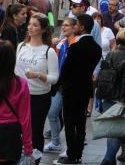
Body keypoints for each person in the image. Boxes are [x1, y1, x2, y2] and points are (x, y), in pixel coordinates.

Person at [55, 14, 101, 164]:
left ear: (81, 27)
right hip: (85, 88)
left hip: (71, 89)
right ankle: (78, 152)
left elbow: (66, 70)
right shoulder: (96, 48)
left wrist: (59, 84)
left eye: (76, 25)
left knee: (69, 123)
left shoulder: (75, 47)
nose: (74, 27)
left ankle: (71, 154)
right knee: (80, 123)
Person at [15, 13, 59, 165]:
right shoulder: (21, 46)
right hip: (19, 95)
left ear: (43, 29)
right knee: (16, 130)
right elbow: (14, 70)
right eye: (29, 24)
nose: (30, 27)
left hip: (38, 97)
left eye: (35, 25)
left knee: (34, 132)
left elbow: (54, 78)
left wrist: (39, 75)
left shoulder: (49, 51)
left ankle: (34, 161)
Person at [99, 28, 125, 165]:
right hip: (121, 98)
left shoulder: (110, 54)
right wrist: (123, 100)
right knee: (115, 131)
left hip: (107, 96)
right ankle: (107, 160)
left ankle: (110, 159)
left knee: (113, 130)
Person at [44, 17, 78, 153]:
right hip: (59, 84)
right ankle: (55, 142)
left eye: (67, 26)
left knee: (70, 117)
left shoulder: (77, 43)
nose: (63, 28)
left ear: (75, 28)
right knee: (52, 113)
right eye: (63, 25)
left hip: (71, 85)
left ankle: (72, 147)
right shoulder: (61, 43)